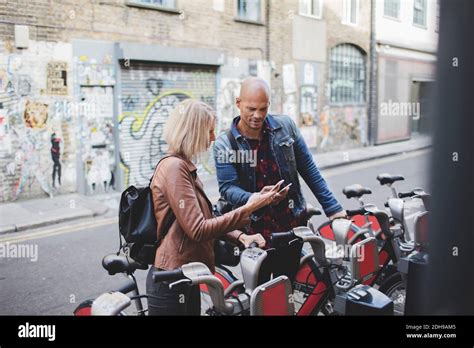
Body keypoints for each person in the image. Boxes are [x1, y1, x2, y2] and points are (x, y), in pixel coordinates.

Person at [147, 99, 281, 316]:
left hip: (187, 274)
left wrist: (241, 237)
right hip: (170, 279)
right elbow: (198, 229)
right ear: (192, 131)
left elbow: (207, 216)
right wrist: (248, 208)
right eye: (208, 131)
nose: (212, 138)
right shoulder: (174, 167)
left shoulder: (184, 166)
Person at [213, 77, 347, 243]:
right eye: (251, 109)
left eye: (263, 109)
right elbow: (228, 188)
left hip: (292, 220)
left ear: (269, 104)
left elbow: (308, 168)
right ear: (238, 103)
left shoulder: (286, 127)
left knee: (297, 269)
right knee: (264, 269)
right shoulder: (224, 144)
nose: (257, 115)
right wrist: (255, 198)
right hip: (254, 228)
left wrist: (332, 207)